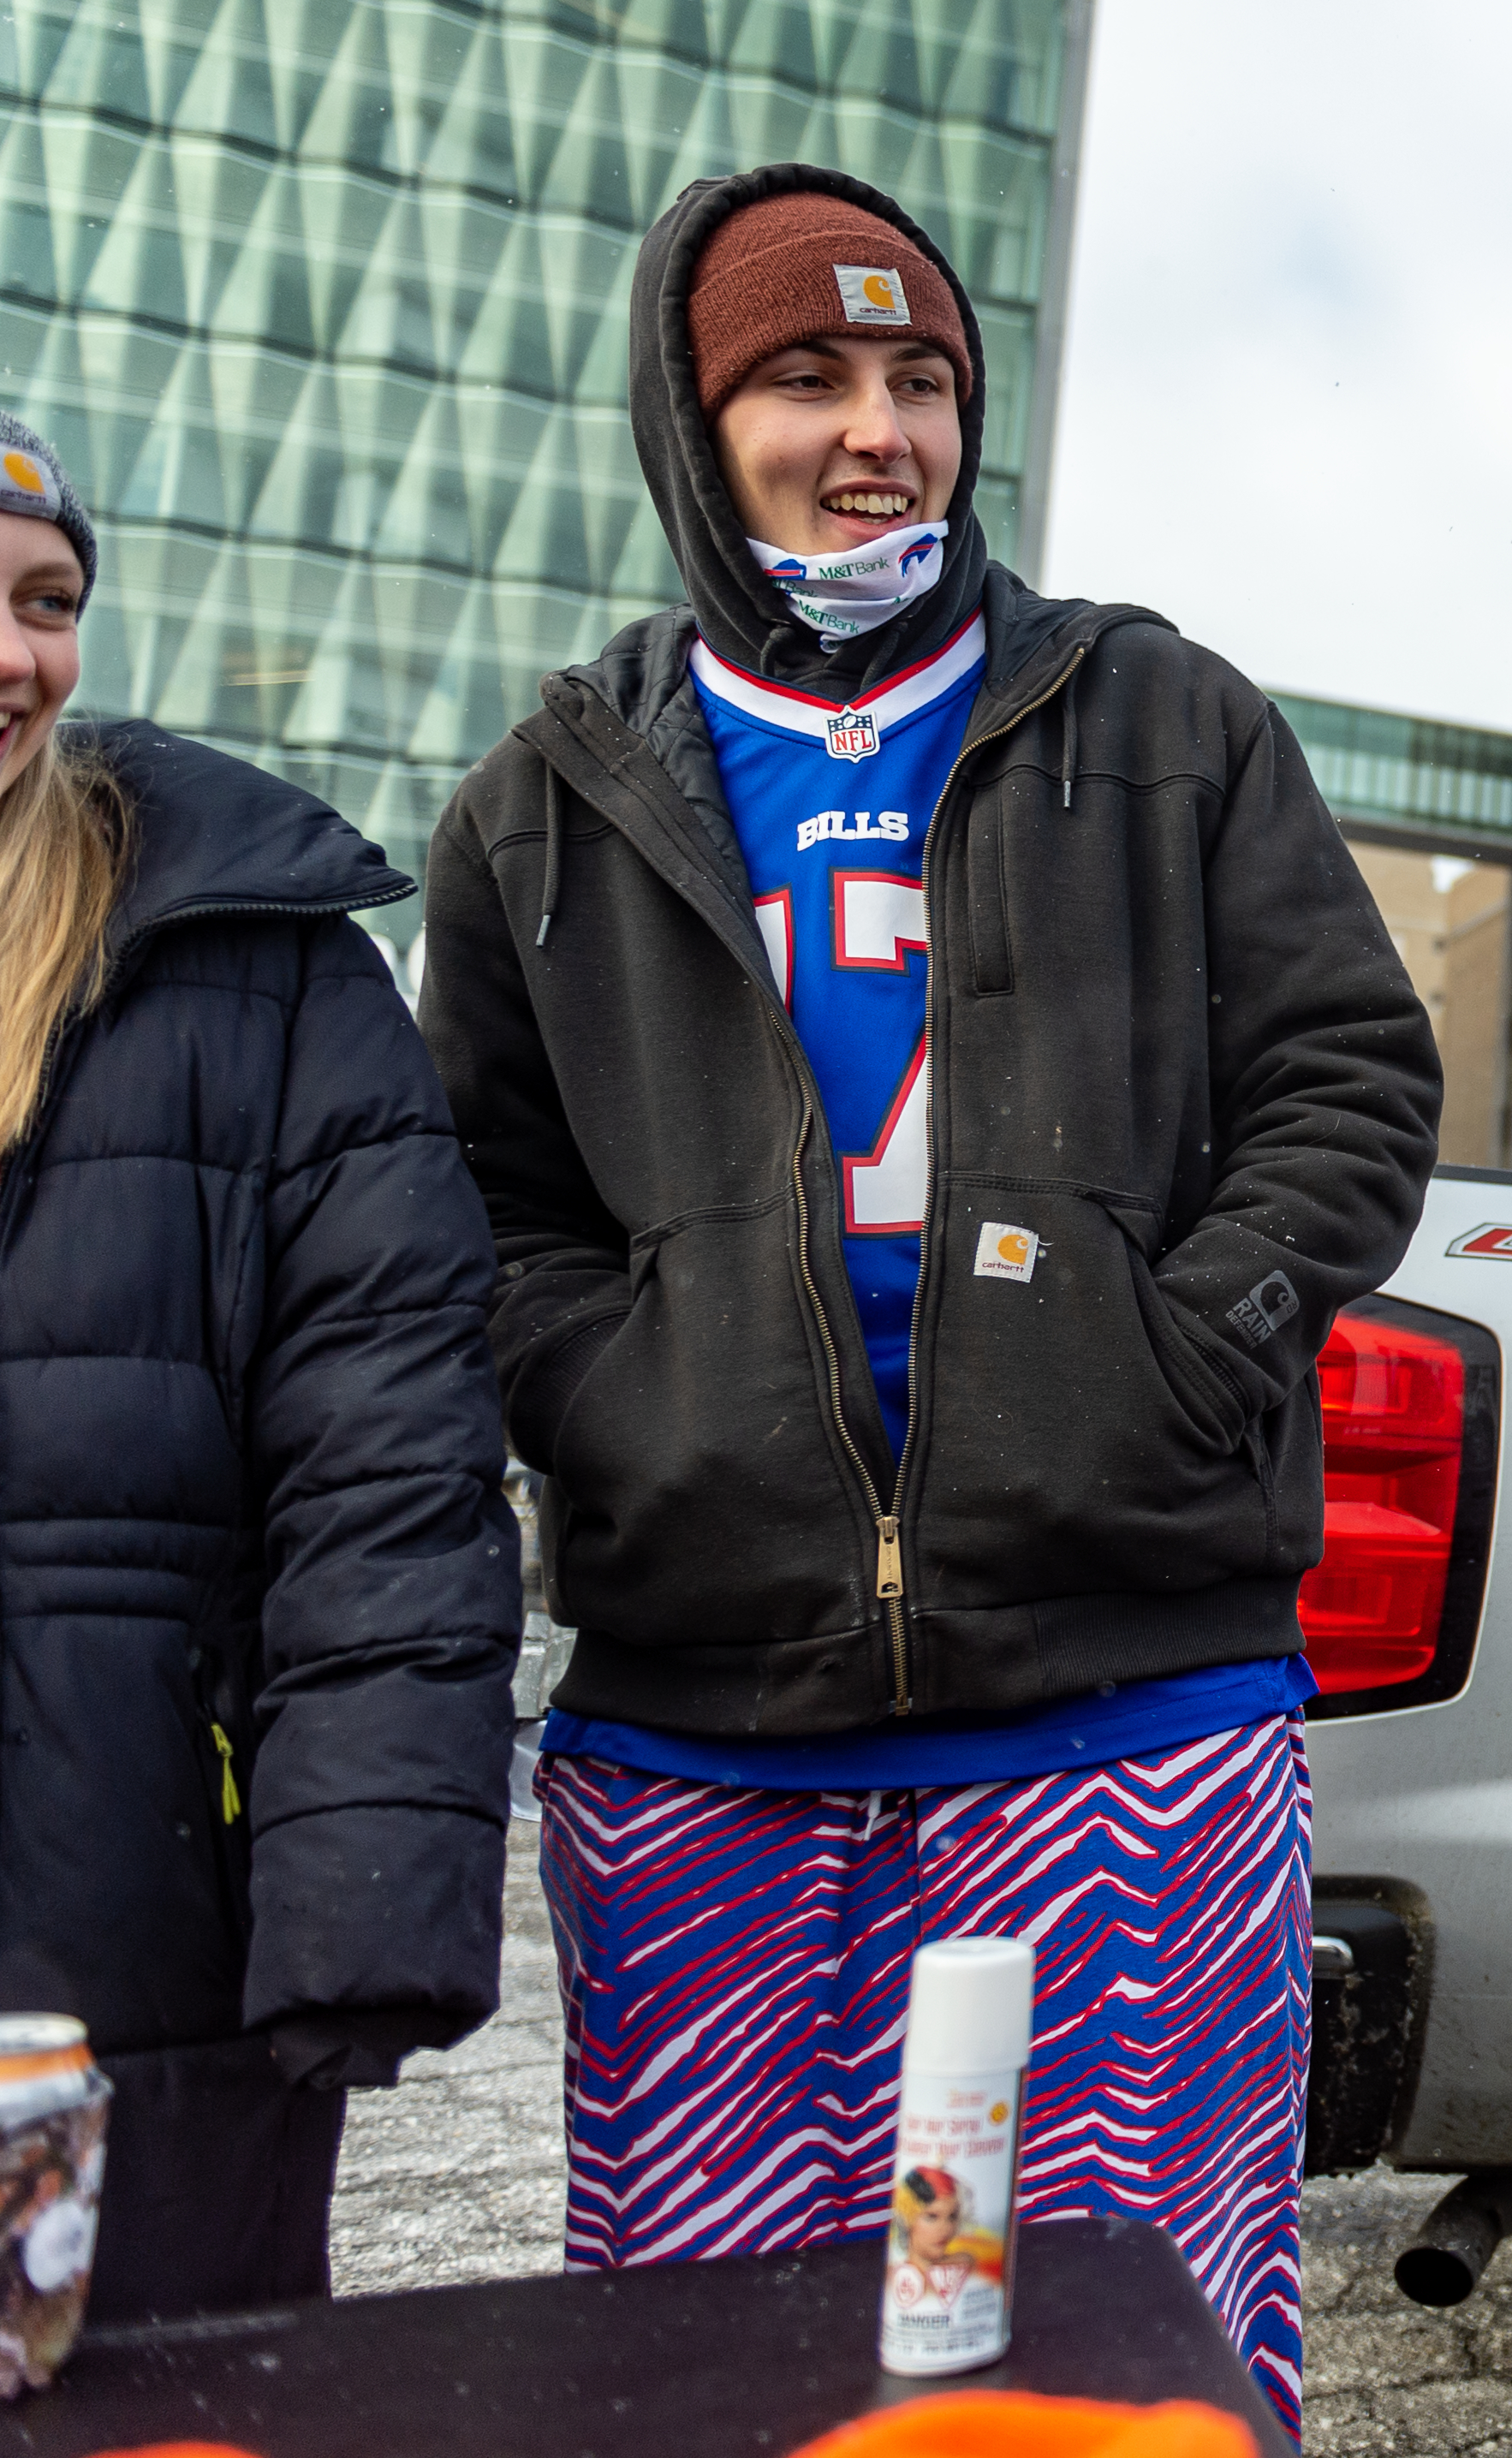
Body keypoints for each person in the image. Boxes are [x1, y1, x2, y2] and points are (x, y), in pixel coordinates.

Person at [420, 167, 1438, 2428]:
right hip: (709, 1734)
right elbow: (479, 1199)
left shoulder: (1161, 720)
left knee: (1107, 2376)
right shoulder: (544, 802)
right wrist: (627, 1398)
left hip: (1132, 1712)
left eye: (919, 380)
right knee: (717, 2381)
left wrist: (1169, 1364)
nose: (873, 430)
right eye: (805, 377)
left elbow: (1352, 1079)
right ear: (697, 426)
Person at [0, 409, 517, 2322]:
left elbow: (384, 1456)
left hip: (136, 1938)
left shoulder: (264, 961)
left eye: (48, 603)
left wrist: (356, 1901)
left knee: (154, 2401)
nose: (16, 652)